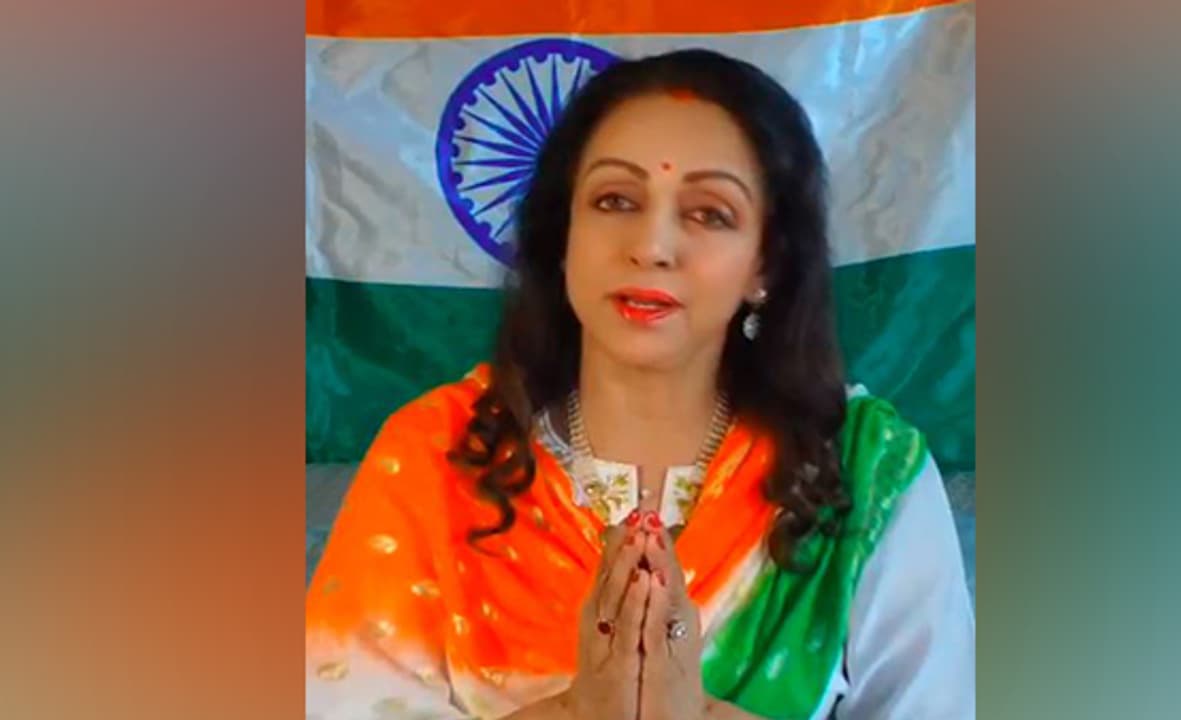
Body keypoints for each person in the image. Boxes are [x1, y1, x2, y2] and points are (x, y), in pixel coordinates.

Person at [305, 48, 973, 720]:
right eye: (615, 200)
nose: (651, 246)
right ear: (563, 237)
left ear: (765, 264)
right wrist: (573, 714)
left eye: (709, 213)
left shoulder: (865, 475)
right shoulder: (438, 460)